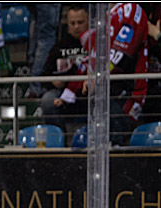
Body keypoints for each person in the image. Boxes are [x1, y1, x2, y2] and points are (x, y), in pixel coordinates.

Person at [47, 2, 148, 144]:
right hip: (103, 92)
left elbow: (121, 56)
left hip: (125, 91)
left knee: (116, 143)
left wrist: (95, 79)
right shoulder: (106, 14)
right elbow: (91, 59)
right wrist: (69, 92)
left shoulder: (130, 10)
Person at [38, 5, 89, 126]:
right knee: (48, 100)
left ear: (88, 22)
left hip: (88, 91)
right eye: (72, 23)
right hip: (62, 93)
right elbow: (43, 76)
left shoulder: (95, 43)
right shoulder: (58, 47)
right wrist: (53, 82)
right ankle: (60, 139)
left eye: (80, 22)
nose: (76, 27)